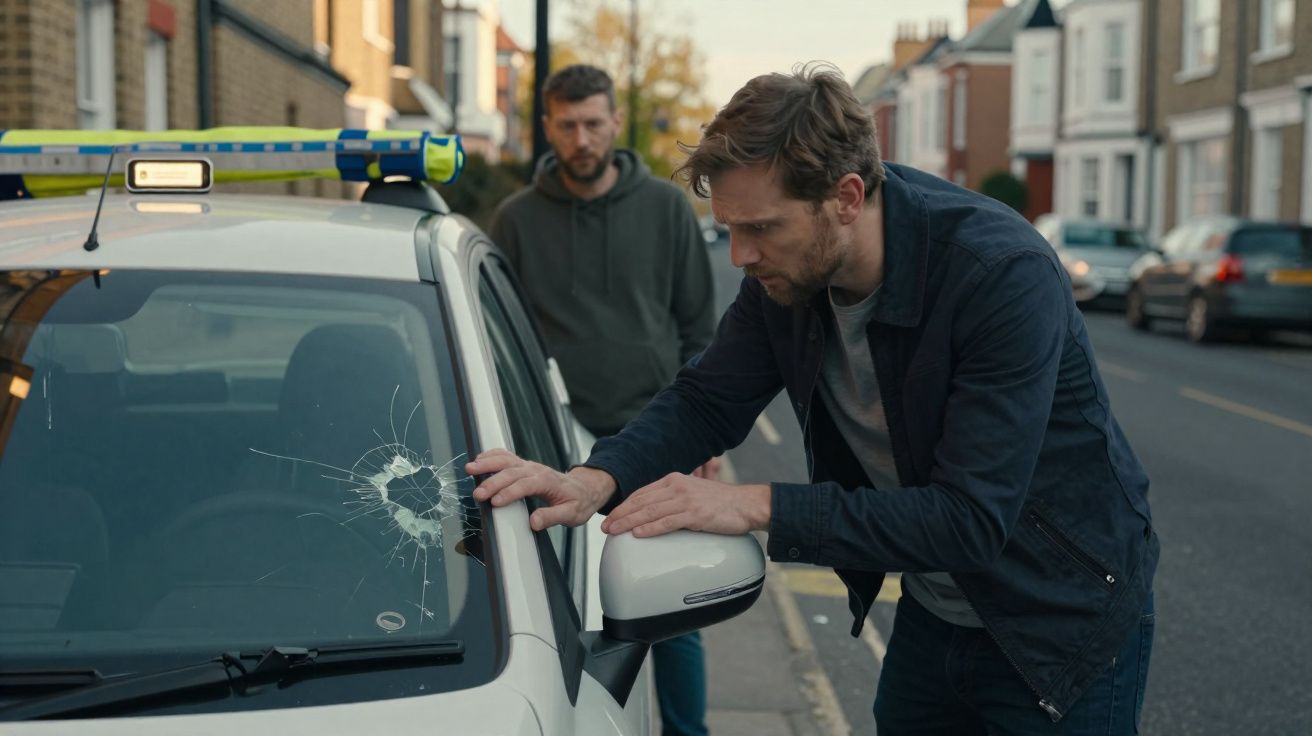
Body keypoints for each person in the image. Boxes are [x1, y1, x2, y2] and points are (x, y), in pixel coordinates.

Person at [471, 64, 1158, 735]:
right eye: (731, 227)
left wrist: (752, 505)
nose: (739, 255)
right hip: (937, 608)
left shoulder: (1000, 275)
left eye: (761, 228)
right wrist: (595, 478)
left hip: (1058, 620)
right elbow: (708, 398)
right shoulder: (786, 278)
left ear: (847, 197)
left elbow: (971, 520)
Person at [487, 64, 717, 736]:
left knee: (671, 609)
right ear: (549, 127)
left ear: (616, 123)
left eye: (593, 122)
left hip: (657, 429)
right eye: (567, 124)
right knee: (560, 609)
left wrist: (705, 439)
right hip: (554, 437)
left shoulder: (666, 207)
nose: (581, 138)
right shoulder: (516, 220)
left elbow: (699, 330)